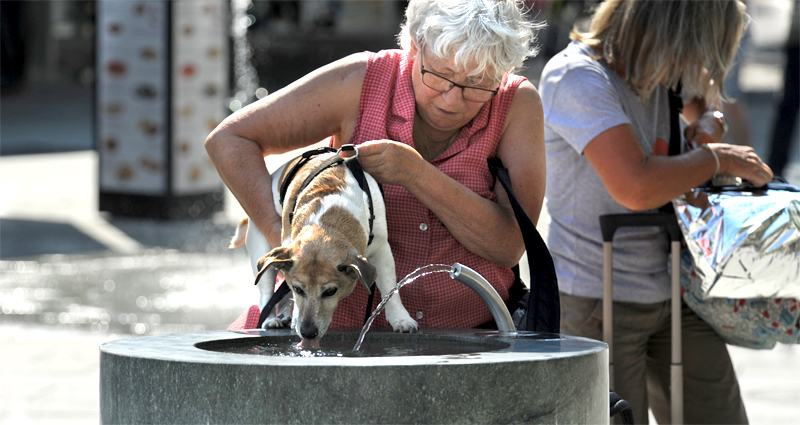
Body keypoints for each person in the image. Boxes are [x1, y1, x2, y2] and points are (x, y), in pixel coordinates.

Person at [206, 0, 546, 330]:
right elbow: (230, 141)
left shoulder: (516, 103)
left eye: (476, 84)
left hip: (471, 336)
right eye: (440, 75)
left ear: (503, 74)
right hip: (342, 332)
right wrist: (289, 241)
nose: (452, 99)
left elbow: (508, 247)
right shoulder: (362, 81)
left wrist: (414, 173)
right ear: (414, 48)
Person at [539, 1, 772, 423]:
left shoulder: (658, 70)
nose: (695, 64)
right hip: (597, 295)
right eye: (693, 51)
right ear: (663, 33)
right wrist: (717, 159)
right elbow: (636, 184)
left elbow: (701, 106)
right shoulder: (576, 77)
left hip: (676, 288)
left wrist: (707, 123)